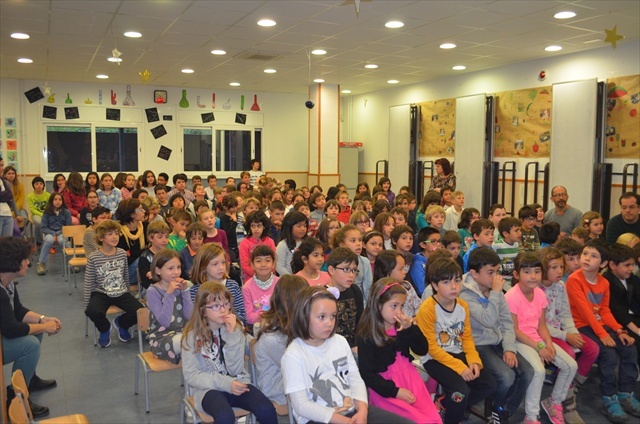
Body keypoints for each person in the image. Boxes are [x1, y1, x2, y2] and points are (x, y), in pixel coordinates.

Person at [281, 285, 411, 424]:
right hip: (319, 419)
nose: (329, 323)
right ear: (303, 317)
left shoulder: (340, 341)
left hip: (352, 410)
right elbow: (302, 406)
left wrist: (362, 411)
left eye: (333, 316)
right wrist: (345, 421)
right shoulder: (293, 355)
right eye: (321, 317)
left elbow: (355, 379)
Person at [181, 281, 277, 423]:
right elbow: (192, 375)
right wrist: (225, 383)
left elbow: (235, 370)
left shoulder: (234, 329)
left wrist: (232, 335)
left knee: (266, 409)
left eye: (226, 304)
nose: (223, 310)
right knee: (225, 417)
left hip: (238, 382)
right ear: (202, 310)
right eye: (216, 306)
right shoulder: (191, 336)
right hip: (208, 389)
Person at [566, 239, 640, 422]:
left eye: (593, 256)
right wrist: (603, 334)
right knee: (607, 353)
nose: (586, 258)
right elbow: (585, 312)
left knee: (629, 348)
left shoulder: (604, 282)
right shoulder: (574, 279)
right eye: (585, 254)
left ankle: (626, 393)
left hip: (598, 324)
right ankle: (609, 397)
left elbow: (604, 311)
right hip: (580, 325)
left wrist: (619, 330)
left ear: (604, 263)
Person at [417, 257, 497, 424]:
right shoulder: (428, 308)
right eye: (446, 282)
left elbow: (466, 337)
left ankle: (444, 404)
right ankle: (453, 416)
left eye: (457, 280)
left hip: (456, 352)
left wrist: (473, 360)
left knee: (489, 384)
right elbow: (431, 348)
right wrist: (460, 368)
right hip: (434, 358)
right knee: (460, 392)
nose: (454, 286)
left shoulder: (462, 306)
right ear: (435, 285)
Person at [459, 247, 534, 424]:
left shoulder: (495, 290)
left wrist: (509, 348)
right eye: (490, 272)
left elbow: (507, 322)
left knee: (527, 372)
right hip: (478, 344)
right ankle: (496, 408)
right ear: (474, 274)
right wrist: (495, 293)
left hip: (498, 341)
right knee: (506, 377)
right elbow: (489, 320)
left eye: (497, 271)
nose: (496, 277)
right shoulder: (464, 294)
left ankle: (503, 409)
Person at [506, 252, 578, 424]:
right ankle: (531, 417)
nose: (533, 276)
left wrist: (548, 343)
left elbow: (541, 325)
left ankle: (554, 402)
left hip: (536, 338)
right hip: (519, 341)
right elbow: (514, 331)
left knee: (570, 366)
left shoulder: (539, 293)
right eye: (527, 272)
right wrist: (539, 347)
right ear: (516, 274)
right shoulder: (511, 296)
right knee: (538, 371)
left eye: (537, 271)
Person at [357, 278, 441, 423]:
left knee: (432, 419)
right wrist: (395, 392)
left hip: (410, 379)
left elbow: (422, 349)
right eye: (394, 306)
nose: (399, 312)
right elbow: (368, 374)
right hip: (387, 389)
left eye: (401, 306)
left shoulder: (401, 327)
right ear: (378, 305)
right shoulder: (366, 335)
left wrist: (410, 329)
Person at [1, 237, 60, 418]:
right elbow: (11, 329)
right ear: (13, 262)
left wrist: (43, 320)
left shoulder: (8, 281)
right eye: (25, 259)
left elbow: (18, 311)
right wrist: (45, 327)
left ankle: (28, 379)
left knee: (36, 329)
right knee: (30, 345)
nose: (28, 263)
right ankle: (15, 397)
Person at [539, 247, 597, 423]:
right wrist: (566, 337)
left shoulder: (560, 286)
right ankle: (567, 401)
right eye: (554, 267)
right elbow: (540, 325)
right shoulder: (536, 289)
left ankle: (568, 391)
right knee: (569, 354)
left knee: (592, 349)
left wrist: (572, 333)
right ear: (543, 268)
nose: (560, 271)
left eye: (561, 267)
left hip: (562, 331)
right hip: (545, 333)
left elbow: (565, 314)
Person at [84, 220, 144, 348]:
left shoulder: (121, 253)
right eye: (110, 234)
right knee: (92, 311)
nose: (115, 237)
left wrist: (127, 292)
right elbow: (89, 281)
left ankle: (122, 324)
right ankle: (105, 329)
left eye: (116, 233)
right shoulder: (94, 257)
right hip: (101, 293)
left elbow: (125, 275)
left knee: (140, 311)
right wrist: (87, 303)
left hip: (121, 291)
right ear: (101, 238)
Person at [253, 274, 307, 409]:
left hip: (297, 384)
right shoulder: (272, 338)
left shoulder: (296, 324)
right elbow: (298, 367)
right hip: (278, 391)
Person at [146, 249, 193, 364]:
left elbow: (190, 316)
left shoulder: (183, 286)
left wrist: (185, 291)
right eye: (170, 268)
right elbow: (165, 322)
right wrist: (169, 294)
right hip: (161, 339)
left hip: (183, 333)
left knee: (199, 339)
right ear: (158, 270)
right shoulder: (153, 291)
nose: (176, 272)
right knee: (191, 341)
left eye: (178, 267)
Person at [190, 243, 246, 326]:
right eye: (215, 264)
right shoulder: (195, 290)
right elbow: (195, 317)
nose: (221, 267)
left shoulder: (233, 286)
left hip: (231, 328)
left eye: (223, 262)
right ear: (203, 266)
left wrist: (234, 323)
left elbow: (241, 313)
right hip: (206, 330)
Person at [603, 244, 640, 362]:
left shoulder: (631, 278)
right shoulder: (606, 281)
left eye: (632, 264)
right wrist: (637, 330)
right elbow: (617, 311)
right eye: (627, 265)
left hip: (633, 318)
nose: (631, 268)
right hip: (619, 323)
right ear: (612, 265)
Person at [326, 247, 364, 350]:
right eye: (346, 269)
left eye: (354, 270)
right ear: (331, 270)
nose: (351, 275)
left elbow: (360, 323)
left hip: (354, 345)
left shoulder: (355, 290)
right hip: (332, 347)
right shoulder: (323, 295)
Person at [373, 250, 421, 318]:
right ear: (387, 272)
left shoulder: (407, 286)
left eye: (404, 268)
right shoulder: (381, 292)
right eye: (400, 269)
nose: (404, 272)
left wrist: (415, 318)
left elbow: (419, 305)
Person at [331, 225, 373, 300]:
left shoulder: (365, 262)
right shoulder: (335, 261)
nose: (358, 244)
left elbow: (367, 290)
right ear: (342, 244)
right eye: (353, 241)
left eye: (360, 240)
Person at [242, 245, 279, 329]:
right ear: (252, 265)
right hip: (257, 328)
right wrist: (266, 314)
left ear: (273, 264)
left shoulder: (280, 283)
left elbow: (285, 311)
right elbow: (248, 317)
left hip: (278, 326)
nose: (263, 264)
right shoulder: (247, 288)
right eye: (258, 261)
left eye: (267, 260)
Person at [36, 193, 71, 276]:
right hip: (49, 232)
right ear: (51, 201)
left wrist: (57, 233)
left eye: (60, 199)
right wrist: (53, 234)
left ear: (62, 201)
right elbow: (43, 228)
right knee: (49, 240)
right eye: (55, 199)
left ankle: (72, 260)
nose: (58, 201)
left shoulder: (66, 212)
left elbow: (68, 227)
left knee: (62, 240)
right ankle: (41, 264)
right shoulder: (46, 212)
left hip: (62, 232)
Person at [116, 198, 148, 286]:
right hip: (125, 273)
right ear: (132, 214)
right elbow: (125, 259)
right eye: (140, 209)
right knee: (144, 258)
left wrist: (133, 253)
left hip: (142, 268)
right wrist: (143, 251)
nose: (144, 211)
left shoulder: (145, 226)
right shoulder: (118, 232)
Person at [137, 220, 171, 290]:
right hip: (152, 290)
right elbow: (146, 283)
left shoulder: (170, 255)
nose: (164, 240)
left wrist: (156, 275)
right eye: (160, 237)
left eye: (167, 237)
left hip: (169, 286)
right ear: (151, 238)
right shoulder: (145, 257)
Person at [409, 227, 442, 297]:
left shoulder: (440, 259)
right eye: (433, 241)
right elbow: (423, 290)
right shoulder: (418, 264)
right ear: (423, 245)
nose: (438, 244)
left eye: (439, 241)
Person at [492, 217, 522, 291]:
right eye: (516, 230)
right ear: (506, 234)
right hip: (501, 281)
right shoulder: (496, 245)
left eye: (520, 230)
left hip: (513, 280)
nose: (520, 233)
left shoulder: (516, 245)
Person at [275, 210, 308, 276]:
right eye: (299, 226)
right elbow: (279, 266)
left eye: (304, 226)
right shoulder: (283, 245)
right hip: (288, 279)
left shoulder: (308, 242)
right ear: (289, 227)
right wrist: (292, 278)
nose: (303, 229)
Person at [0, 156, 22, 237]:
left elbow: (11, 198)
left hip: (7, 215)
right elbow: (7, 196)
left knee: (7, 242)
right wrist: (5, 195)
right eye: (0, 165)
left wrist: (17, 214)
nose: (2, 168)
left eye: (2, 165)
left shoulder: (5, 182)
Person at [27, 176, 50, 244]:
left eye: (41, 184)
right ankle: (39, 241)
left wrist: (45, 214)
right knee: (39, 222)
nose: (39, 186)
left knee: (50, 221)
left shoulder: (48, 195)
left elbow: (50, 207)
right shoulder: (30, 196)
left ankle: (49, 241)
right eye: (36, 184)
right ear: (33, 185)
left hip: (47, 214)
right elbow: (32, 209)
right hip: (35, 214)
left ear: (43, 185)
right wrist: (41, 214)